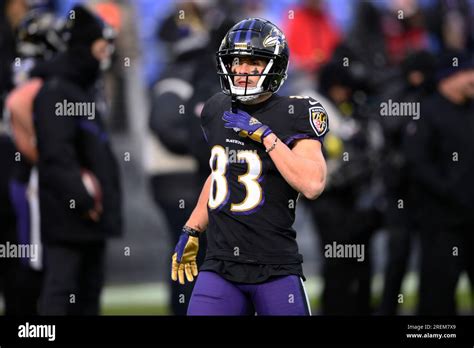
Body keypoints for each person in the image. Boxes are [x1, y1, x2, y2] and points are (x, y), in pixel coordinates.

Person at [170, 17, 329, 315]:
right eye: (236, 61)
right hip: (220, 265)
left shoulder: (295, 112)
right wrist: (191, 228)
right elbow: (221, 176)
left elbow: (313, 184)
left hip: (275, 266)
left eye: (253, 61)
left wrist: (266, 136)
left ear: (275, 65)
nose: (241, 70)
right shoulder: (217, 108)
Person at [34, 5, 122, 315]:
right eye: (100, 46)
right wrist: (83, 199)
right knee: (61, 291)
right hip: (68, 217)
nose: (105, 53)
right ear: (86, 46)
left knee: (88, 294)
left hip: (91, 219)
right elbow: (57, 155)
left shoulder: (84, 90)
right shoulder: (58, 91)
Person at [403, 50, 474, 315]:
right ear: (449, 77)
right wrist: (453, 192)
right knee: (438, 297)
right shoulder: (427, 113)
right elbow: (418, 165)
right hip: (441, 225)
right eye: (469, 72)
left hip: (472, 221)